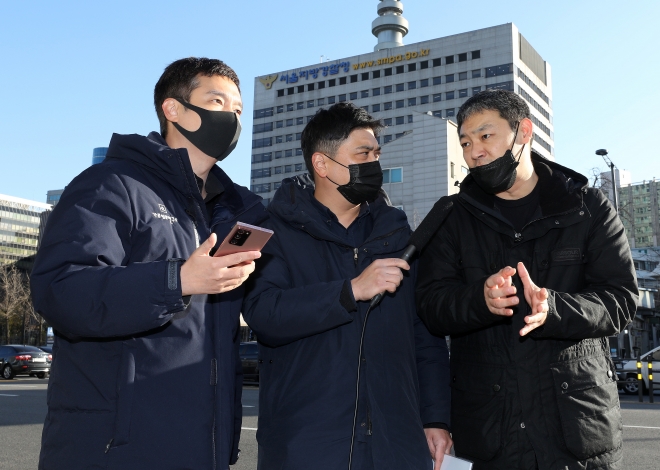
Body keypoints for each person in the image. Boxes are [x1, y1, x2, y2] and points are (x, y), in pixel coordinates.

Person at [31, 58, 265, 470]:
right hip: (116, 451)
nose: (232, 117)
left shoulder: (235, 211)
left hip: (203, 452)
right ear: (173, 110)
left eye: (238, 110)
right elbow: (60, 290)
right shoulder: (111, 184)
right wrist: (177, 280)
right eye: (217, 101)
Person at [416, 89, 638, 470]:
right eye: (465, 142)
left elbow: (621, 299)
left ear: (524, 132)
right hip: (488, 430)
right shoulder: (451, 216)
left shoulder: (587, 206)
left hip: (577, 428)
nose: (474, 152)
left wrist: (555, 307)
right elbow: (430, 305)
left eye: (486, 136)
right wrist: (478, 301)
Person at [243, 102, 452, 470]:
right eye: (363, 153)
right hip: (308, 445)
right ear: (322, 164)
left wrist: (435, 418)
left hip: (396, 443)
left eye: (376, 153)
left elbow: (424, 335)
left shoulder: (398, 234)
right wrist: (349, 291)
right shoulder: (271, 231)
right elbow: (263, 314)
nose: (374, 163)